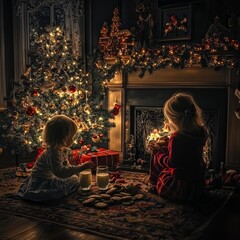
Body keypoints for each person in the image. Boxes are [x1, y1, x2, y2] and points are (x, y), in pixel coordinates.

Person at [147, 92, 208, 203]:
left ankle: (153, 184)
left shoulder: (177, 137)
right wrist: (166, 147)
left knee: (156, 152)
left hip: (181, 189)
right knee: (160, 150)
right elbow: (186, 154)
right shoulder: (201, 131)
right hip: (197, 186)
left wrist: (158, 152)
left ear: (174, 119)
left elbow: (172, 163)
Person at [17, 114, 95, 202]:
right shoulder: (53, 153)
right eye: (72, 137)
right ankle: (45, 196)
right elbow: (60, 172)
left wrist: (74, 169)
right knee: (74, 181)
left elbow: (66, 166)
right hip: (42, 181)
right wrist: (81, 167)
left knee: (74, 178)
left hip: (52, 177)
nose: (73, 140)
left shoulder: (62, 150)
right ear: (63, 138)